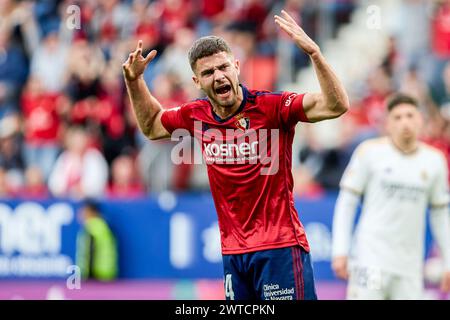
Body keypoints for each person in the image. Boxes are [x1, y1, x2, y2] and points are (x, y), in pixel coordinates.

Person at [122, 10, 349, 300]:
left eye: (223, 67)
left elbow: (335, 105)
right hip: (234, 254)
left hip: (279, 247)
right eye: (208, 72)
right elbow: (152, 126)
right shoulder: (196, 114)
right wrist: (135, 81)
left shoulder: (272, 107)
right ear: (196, 81)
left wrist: (315, 54)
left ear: (237, 67)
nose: (218, 76)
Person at [331, 93, 450, 300]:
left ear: (420, 120)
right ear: (387, 123)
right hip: (370, 261)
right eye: (397, 117)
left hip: (409, 267)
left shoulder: (434, 161)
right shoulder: (369, 152)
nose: (405, 122)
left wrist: (449, 260)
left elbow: (440, 214)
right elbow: (347, 202)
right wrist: (340, 249)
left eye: (410, 115)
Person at [76, 200, 118, 281]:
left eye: (84, 211)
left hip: (97, 275)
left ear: (91, 212)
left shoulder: (92, 227)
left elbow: (90, 252)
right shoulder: (103, 225)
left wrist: (88, 277)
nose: (81, 214)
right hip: (107, 273)